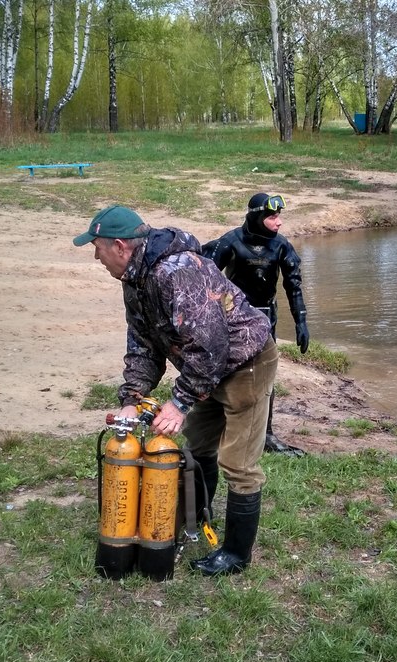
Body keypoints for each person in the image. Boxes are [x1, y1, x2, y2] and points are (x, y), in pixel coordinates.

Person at [74, 205, 278, 577]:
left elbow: (211, 344)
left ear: (119, 246)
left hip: (247, 361)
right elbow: (143, 345)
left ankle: (235, 554)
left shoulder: (176, 272)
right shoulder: (134, 279)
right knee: (198, 449)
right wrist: (132, 400)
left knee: (239, 463)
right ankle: (198, 519)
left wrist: (180, 402)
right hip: (209, 365)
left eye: (97, 247)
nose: (95, 255)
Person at [203, 192, 310, 457]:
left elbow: (293, 285)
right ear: (257, 217)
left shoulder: (282, 246)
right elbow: (204, 280)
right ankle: (221, 427)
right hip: (233, 319)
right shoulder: (230, 242)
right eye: (272, 217)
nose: (279, 222)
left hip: (265, 318)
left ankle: (267, 434)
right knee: (227, 372)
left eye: (279, 216)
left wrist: (301, 322)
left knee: (264, 378)